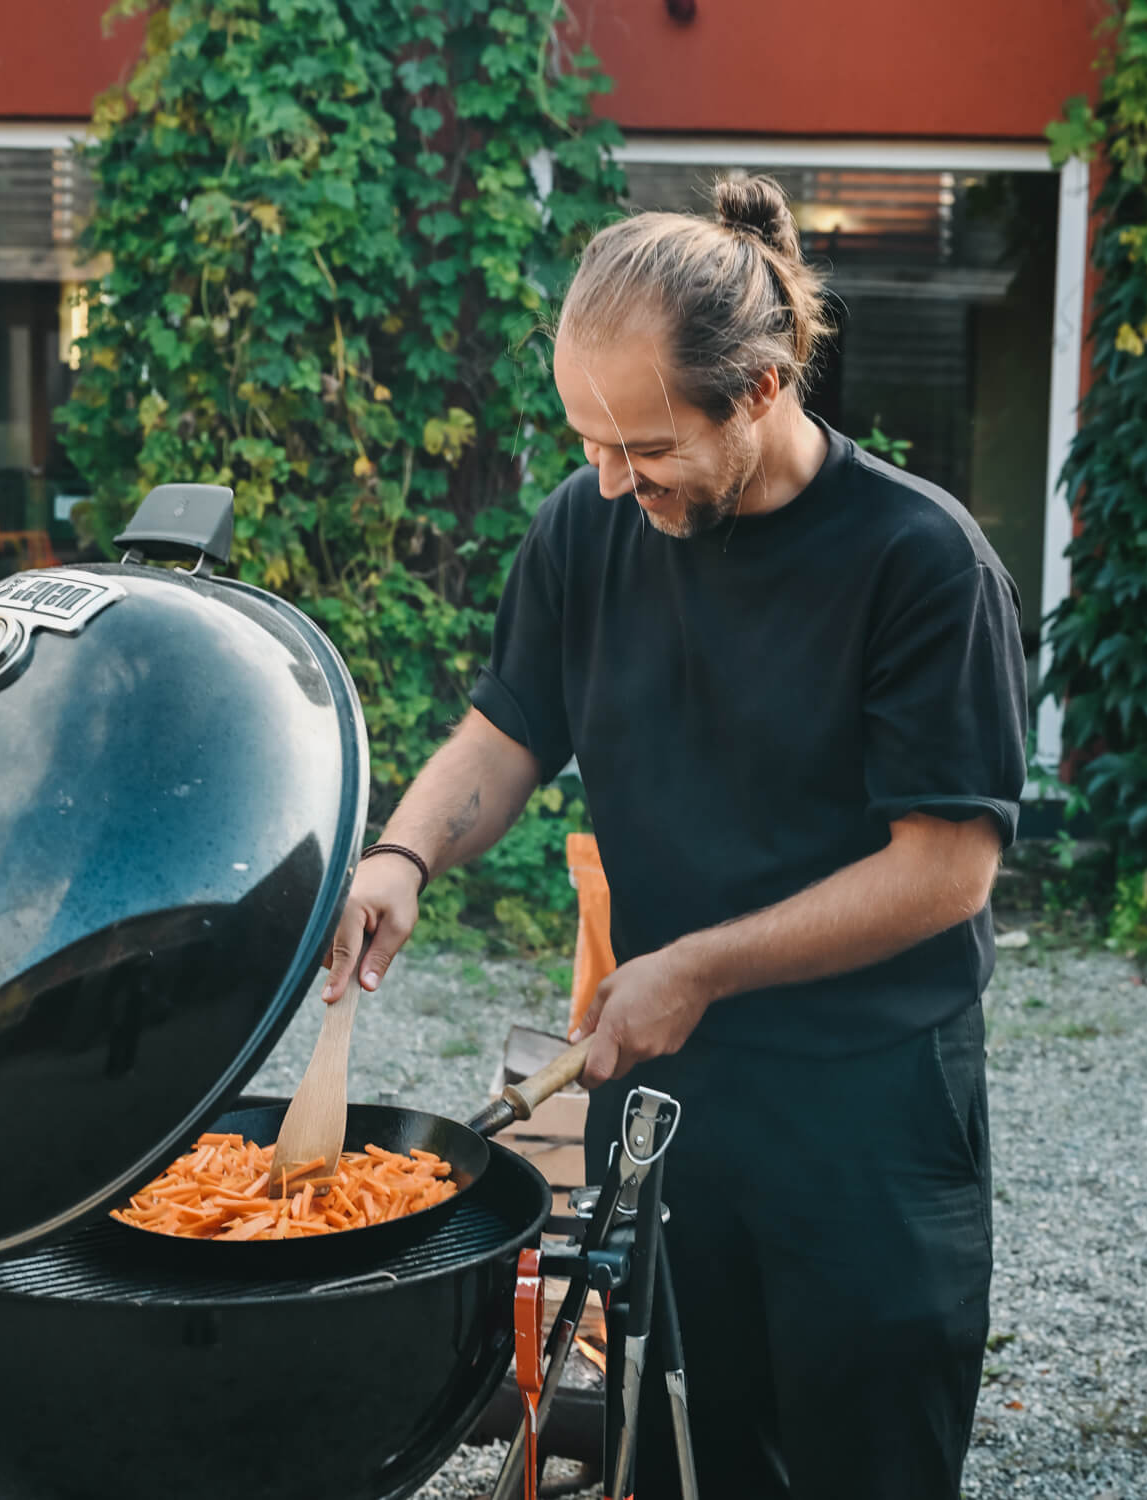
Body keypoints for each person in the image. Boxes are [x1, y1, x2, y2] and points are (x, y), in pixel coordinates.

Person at [325, 174, 1028, 1499]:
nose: (606, 476)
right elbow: (508, 729)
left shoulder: (919, 563)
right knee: (676, 1454)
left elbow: (948, 868)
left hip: (868, 1119)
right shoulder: (589, 527)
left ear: (760, 390)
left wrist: (694, 968)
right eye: (587, 437)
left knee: (863, 1466)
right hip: (663, 1102)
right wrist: (401, 853)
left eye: (643, 446)